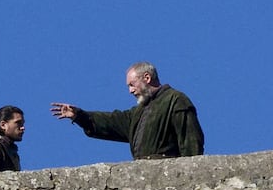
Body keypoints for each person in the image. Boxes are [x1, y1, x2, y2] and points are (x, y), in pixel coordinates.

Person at [51, 62, 204, 160]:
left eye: (132, 84)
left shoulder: (175, 100)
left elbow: (190, 142)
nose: (130, 91)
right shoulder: (138, 112)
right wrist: (79, 116)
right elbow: (112, 122)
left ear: (147, 78)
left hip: (168, 173)